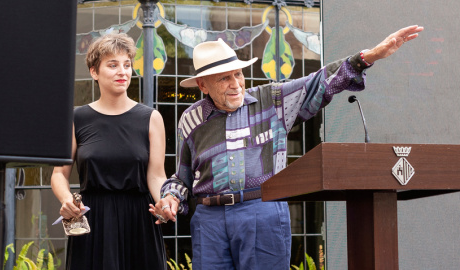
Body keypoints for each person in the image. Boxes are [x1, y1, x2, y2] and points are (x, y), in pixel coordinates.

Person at [150, 25, 424, 269]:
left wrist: (368, 57)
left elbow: (319, 81)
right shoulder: (191, 119)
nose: (236, 85)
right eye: (225, 79)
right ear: (202, 85)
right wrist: (171, 198)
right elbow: (182, 178)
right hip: (209, 221)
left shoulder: (272, 100)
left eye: (238, 74)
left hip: (261, 211)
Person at [51, 33, 167, 270]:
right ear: (94, 72)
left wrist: (163, 202)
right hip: (92, 219)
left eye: (127, 65)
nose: (122, 72)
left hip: (139, 220)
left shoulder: (151, 118)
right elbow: (58, 174)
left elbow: (156, 175)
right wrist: (66, 200)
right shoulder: (76, 118)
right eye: (112, 65)